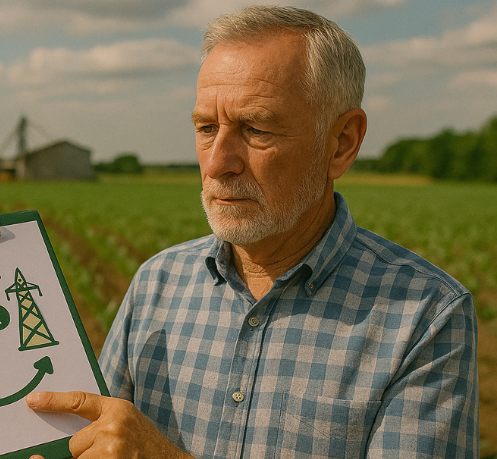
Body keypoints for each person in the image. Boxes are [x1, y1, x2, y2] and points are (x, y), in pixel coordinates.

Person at [26, 5, 479, 458]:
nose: (218, 163)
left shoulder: (425, 315)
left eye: (256, 128)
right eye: (206, 128)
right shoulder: (156, 284)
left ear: (342, 143)